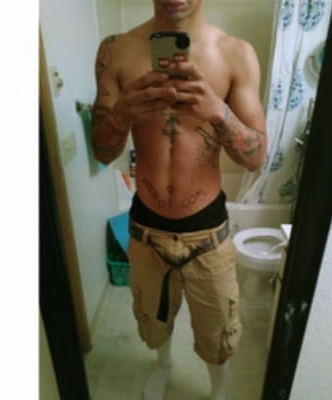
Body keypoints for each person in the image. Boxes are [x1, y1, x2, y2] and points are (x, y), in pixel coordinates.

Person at [91, 1, 266, 399]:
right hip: (146, 229)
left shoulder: (235, 53)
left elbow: (256, 158)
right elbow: (102, 151)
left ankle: (218, 390)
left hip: (208, 231)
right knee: (154, 324)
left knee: (217, 331)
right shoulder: (116, 50)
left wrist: (218, 112)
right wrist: (121, 114)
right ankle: (164, 365)